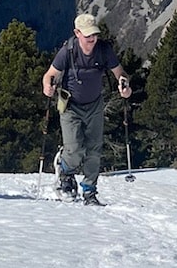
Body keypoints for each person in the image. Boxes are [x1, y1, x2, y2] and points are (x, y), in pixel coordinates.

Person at [42, 13, 132, 205]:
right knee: (75, 149)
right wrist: (47, 86)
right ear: (77, 33)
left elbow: (120, 72)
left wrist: (124, 84)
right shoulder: (68, 51)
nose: (92, 39)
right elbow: (49, 74)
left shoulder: (103, 50)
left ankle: (89, 191)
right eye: (88, 35)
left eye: (94, 34)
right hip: (70, 106)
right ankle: (65, 170)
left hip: (94, 105)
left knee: (94, 149)